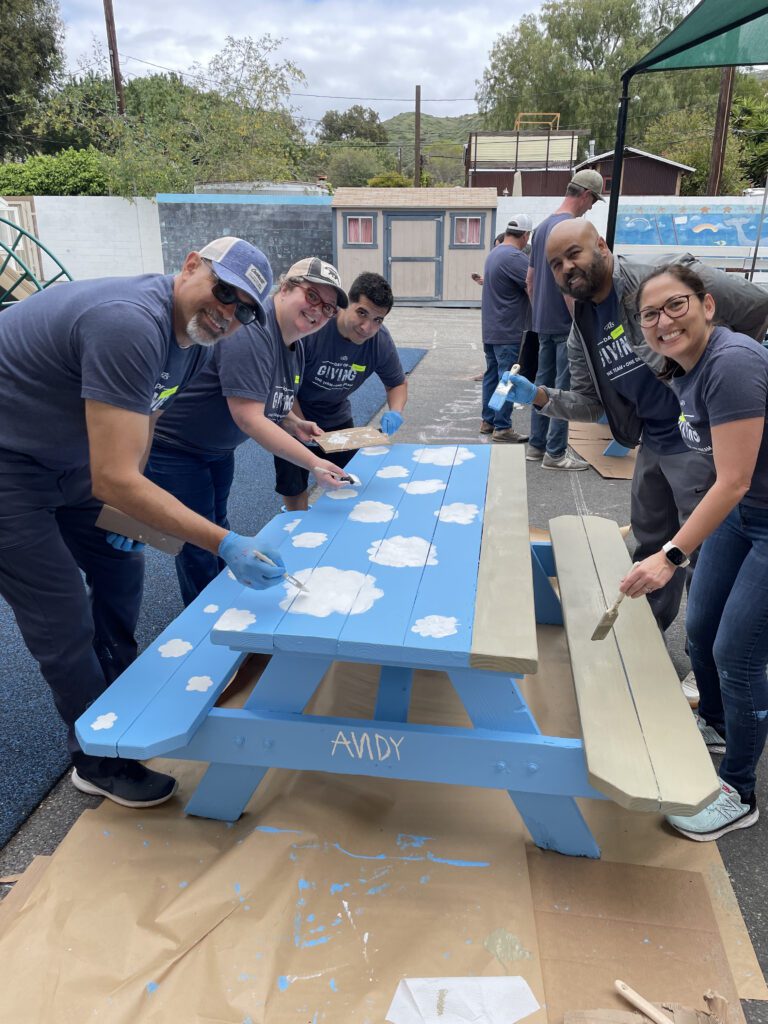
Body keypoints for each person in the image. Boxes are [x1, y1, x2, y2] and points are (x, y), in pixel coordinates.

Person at [0, 236, 290, 808]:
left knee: (121, 569)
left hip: (67, 459)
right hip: (8, 467)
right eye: (224, 291)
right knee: (60, 614)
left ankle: (116, 698)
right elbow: (113, 479)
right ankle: (98, 757)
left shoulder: (197, 342)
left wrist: (129, 505)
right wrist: (223, 540)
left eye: (245, 309)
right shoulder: (130, 322)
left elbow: (147, 417)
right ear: (190, 267)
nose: (228, 313)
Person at [495, 219, 768, 702]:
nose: (567, 268)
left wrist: (722, 372)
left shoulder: (658, 280)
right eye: (556, 263)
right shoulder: (582, 321)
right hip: (653, 442)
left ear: (601, 244)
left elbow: (756, 305)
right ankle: (645, 635)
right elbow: (588, 402)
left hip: (699, 441)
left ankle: (716, 668)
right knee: (651, 544)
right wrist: (537, 396)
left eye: (574, 254)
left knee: (703, 551)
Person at [620, 264, 768, 840]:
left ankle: (739, 790)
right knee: (701, 630)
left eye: (675, 305)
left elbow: (729, 480)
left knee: (738, 653)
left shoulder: (731, 363)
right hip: (743, 512)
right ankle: (719, 723)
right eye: (650, 315)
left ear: (707, 304)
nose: (663, 321)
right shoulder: (681, 366)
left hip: (758, 512)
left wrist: (670, 555)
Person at [145, 257, 352, 606]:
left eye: (329, 307)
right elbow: (248, 417)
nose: (319, 311)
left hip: (216, 449)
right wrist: (315, 464)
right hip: (176, 447)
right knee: (200, 540)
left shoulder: (294, 344)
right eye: (312, 296)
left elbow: (265, 396)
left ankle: (219, 600)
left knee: (217, 528)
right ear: (285, 288)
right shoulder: (254, 330)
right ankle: (206, 620)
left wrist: (292, 420)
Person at [275, 272, 407, 512]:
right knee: (294, 488)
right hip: (293, 413)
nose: (367, 327)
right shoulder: (314, 329)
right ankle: (298, 527)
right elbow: (284, 387)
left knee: (348, 485)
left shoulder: (379, 342)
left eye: (378, 320)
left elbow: (396, 383)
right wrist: (299, 425)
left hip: (337, 418)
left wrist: (395, 411)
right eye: (362, 313)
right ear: (347, 303)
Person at [525, 170, 605, 470]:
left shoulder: (543, 226)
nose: (592, 207)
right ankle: (555, 453)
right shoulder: (573, 227)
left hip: (543, 322)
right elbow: (572, 283)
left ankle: (536, 445)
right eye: (593, 200)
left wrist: (540, 312)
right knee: (565, 391)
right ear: (584, 194)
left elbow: (530, 281)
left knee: (540, 385)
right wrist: (582, 325)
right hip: (565, 325)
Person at [479, 215, 533, 444]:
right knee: (507, 378)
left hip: (491, 327)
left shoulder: (495, 253)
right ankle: (502, 426)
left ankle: (488, 420)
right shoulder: (514, 257)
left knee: (492, 375)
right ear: (526, 235)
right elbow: (533, 285)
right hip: (508, 328)